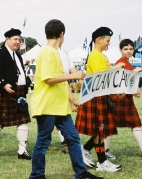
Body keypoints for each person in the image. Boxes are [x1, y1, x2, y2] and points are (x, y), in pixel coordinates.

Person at [29, 19, 102, 179]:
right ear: (62, 34)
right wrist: (74, 75)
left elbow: (59, 78)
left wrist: (70, 98)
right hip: (48, 105)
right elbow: (49, 79)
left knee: (73, 138)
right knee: (43, 141)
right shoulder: (48, 52)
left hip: (59, 105)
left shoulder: (55, 52)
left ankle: (81, 173)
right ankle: (36, 175)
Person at [104, 39, 142, 160]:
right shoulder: (120, 62)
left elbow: (128, 81)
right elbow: (116, 81)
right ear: (120, 50)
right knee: (115, 124)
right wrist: (135, 72)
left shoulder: (127, 62)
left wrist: (135, 89)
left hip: (125, 99)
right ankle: (104, 151)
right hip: (118, 99)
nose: (129, 51)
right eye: (125, 49)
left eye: (131, 49)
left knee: (133, 123)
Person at [75, 27, 123, 172]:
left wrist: (117, 90)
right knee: (100, 130)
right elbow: (99, 76)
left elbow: (107, 79)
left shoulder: (102, 55)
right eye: (107, 41)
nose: (108, 44)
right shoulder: (95, 55)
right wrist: (116, 68)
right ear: (99, 40)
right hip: (95, 97)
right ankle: (102, 162)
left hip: (101, 95)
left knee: (99, 130)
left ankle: (86, 150)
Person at [0, 28, 32, 160]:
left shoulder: (18, 55)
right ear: (7, 39)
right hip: (6, 92)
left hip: (19, 92)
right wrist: (4, 84)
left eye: (19, 40)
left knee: (23, 121)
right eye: (15, 39)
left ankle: (22, 151)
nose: (17, 42)